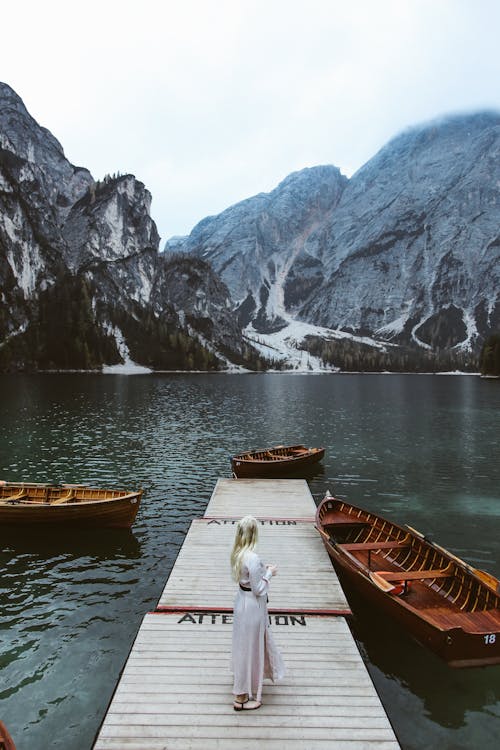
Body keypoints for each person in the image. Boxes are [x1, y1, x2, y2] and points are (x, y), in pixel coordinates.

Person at [230, 515, 285, 711]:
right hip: (252, 606)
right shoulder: (252, 557)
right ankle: (242, 697)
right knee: (252, 646)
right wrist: (270, 573)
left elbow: (248, 579)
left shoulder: (237, 553)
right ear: (254, 533)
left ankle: (243, 686)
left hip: (241, 602)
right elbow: (259, 589)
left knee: (243, 644)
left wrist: (262, 569)